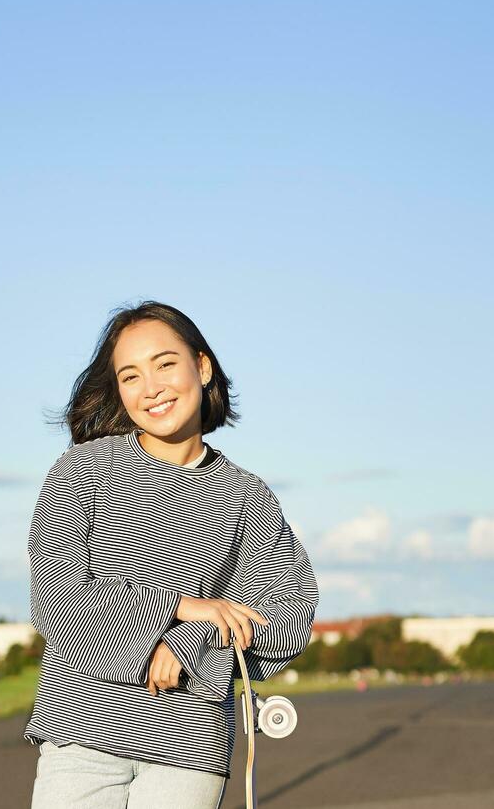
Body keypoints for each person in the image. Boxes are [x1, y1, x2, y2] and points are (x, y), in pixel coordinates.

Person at [23, 301, 318, 809]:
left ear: (201, 368)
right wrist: (183, 606)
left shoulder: (246, 495)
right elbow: (55, 601)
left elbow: (288, 618)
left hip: (190, 747)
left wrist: (184, 645)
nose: (151, 388)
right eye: (130, 376)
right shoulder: (82, 470)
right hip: (80, 732)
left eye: (165, 364)